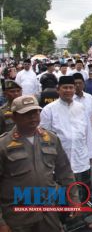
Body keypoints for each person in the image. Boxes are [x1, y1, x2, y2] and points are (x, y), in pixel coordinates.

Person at [0, 96, 78, 232]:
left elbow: (65, 172)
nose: (32, 117)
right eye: (26, 114)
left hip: (48, 213)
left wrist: (74, 199)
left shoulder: (51, 139)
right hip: (17, 216)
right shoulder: (3, 145)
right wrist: (1, 222)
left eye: (35, 112)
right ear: (14, 118)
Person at [40, 75, 92, 230]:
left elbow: (86, 131)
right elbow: (43, 137)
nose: (68, 90)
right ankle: (64, 224)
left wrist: (90, 154)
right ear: (58, 89)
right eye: (65, 87)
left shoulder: (81, 107)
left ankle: (82, 221)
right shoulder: (48, 110)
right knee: (63, 194)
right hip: (60, 162)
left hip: (81, 157)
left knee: (83, 191)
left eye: (71, 87)